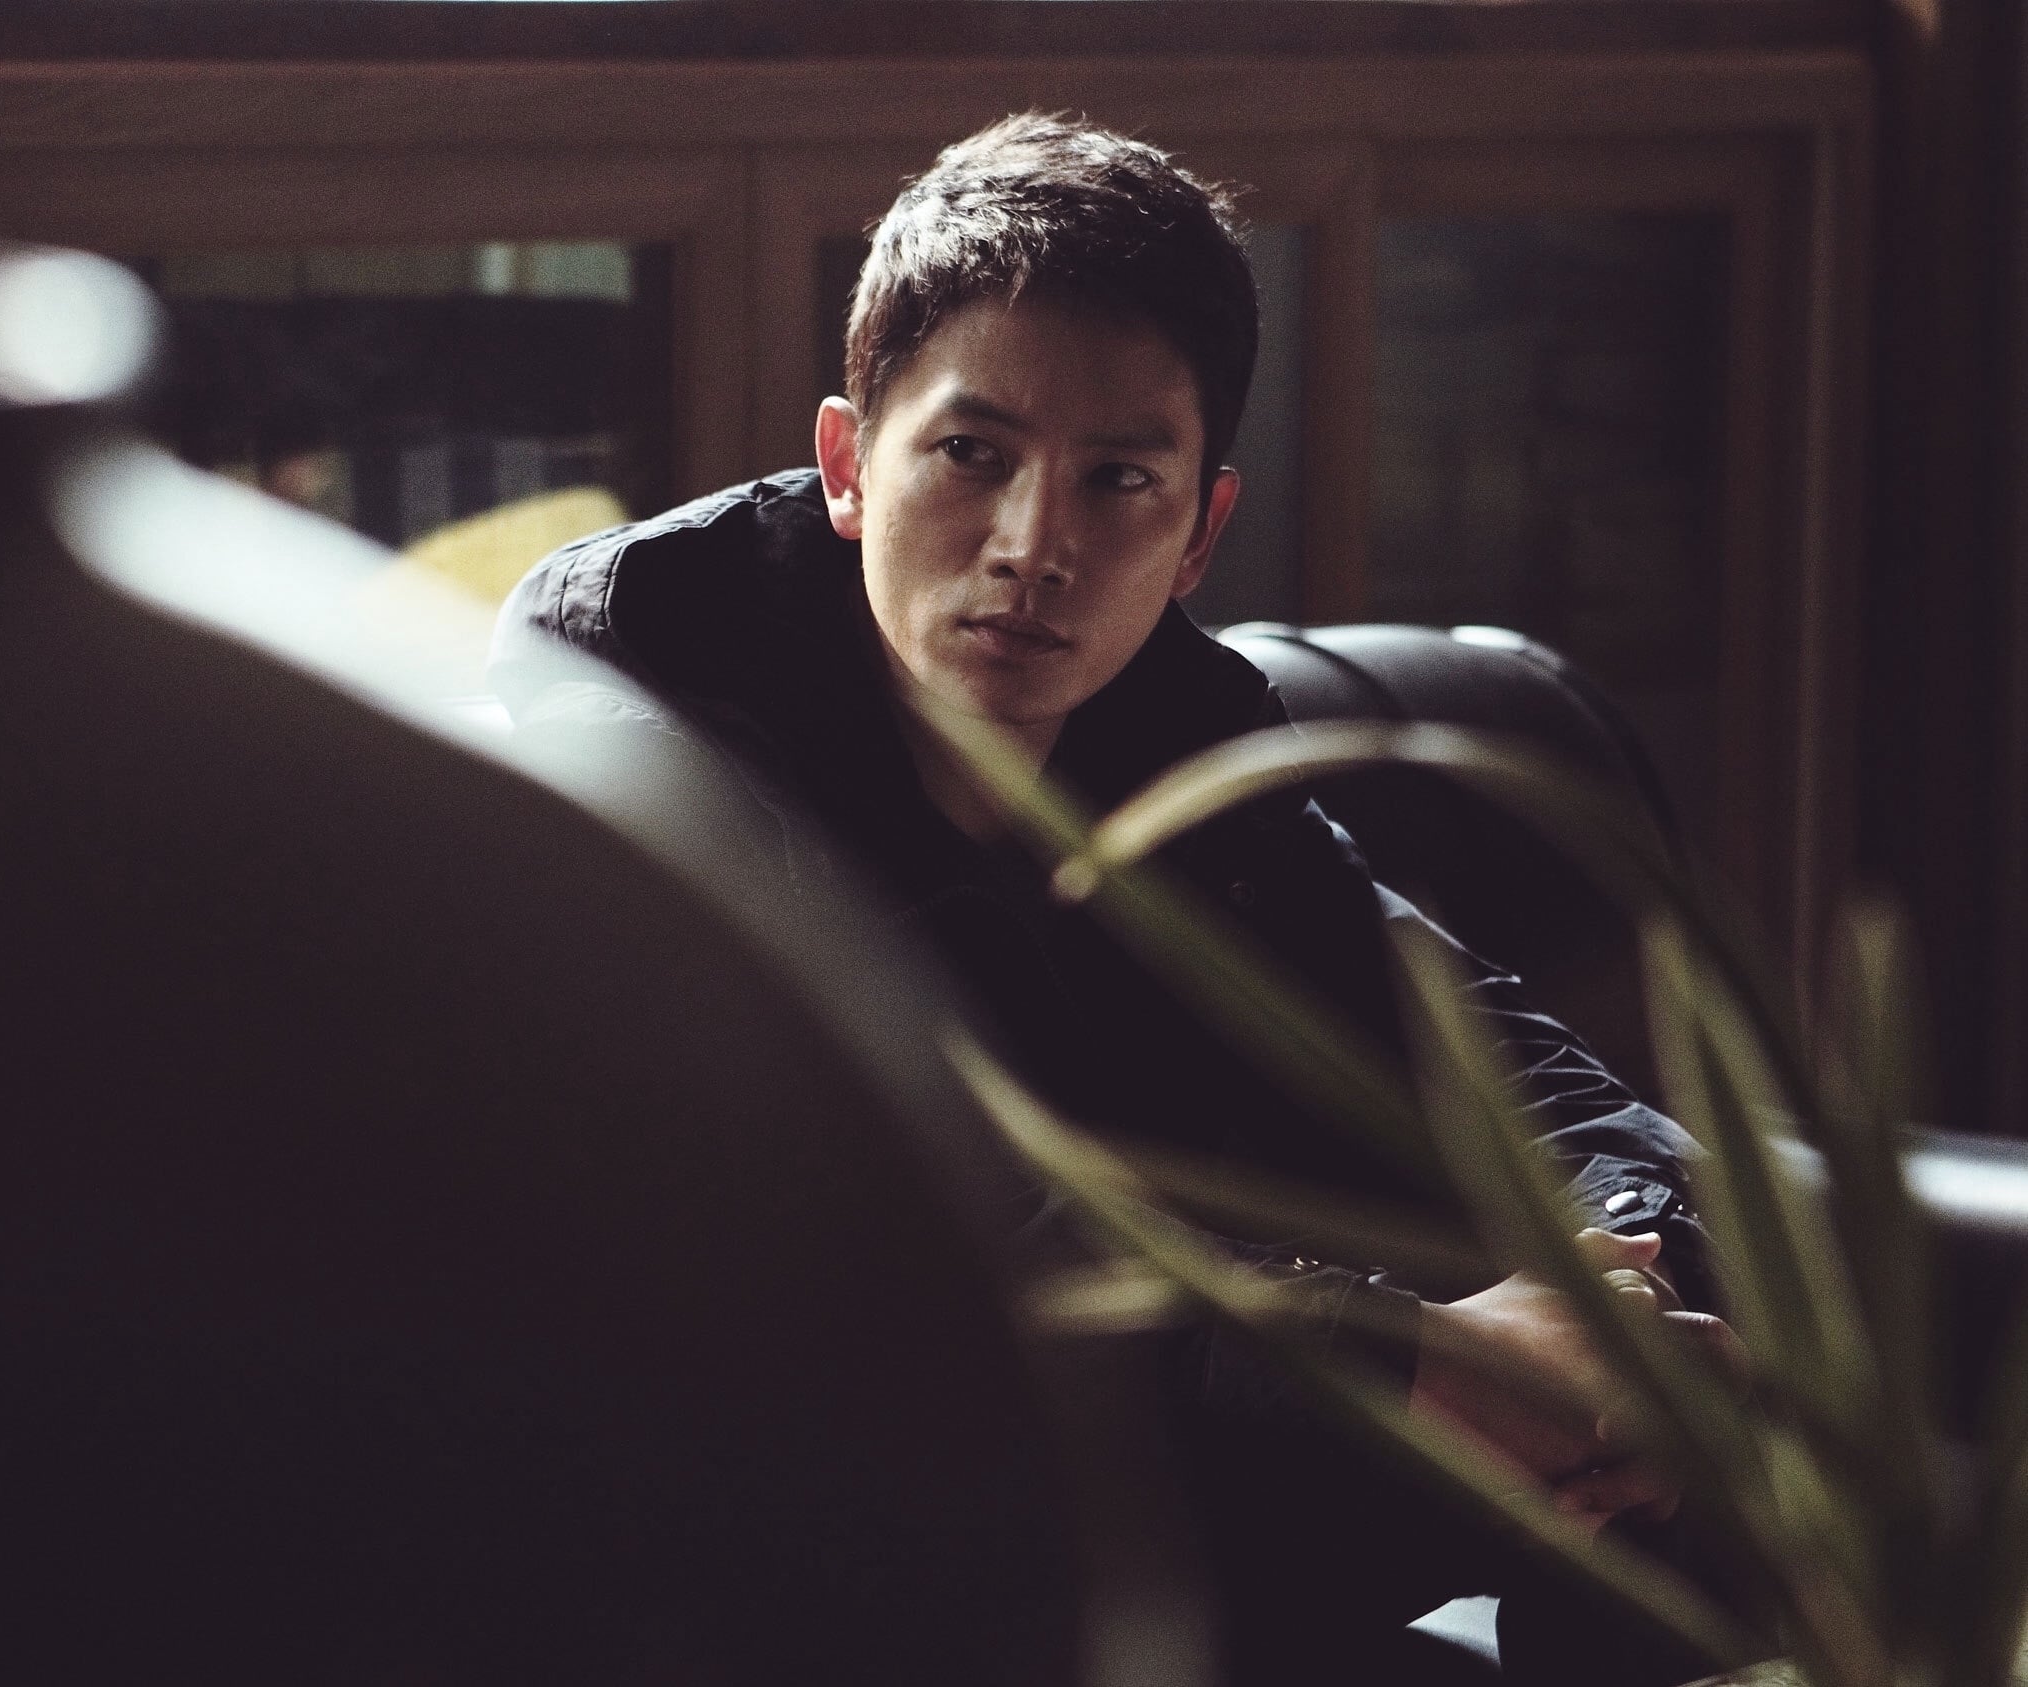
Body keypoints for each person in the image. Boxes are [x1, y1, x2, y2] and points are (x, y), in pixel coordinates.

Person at [490, 112, 1740, 1684]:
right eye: (973, 455)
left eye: (1119, 478)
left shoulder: (1180, 740)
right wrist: (1412, 1355)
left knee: (1691, 1472)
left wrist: (1623, 1296)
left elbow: (1511, 1065)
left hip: (1163, 1541)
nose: (1036, 547)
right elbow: (876, 1215)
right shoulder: (635, 714)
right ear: (848, 466)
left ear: (1201, 530)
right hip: (784, 1546)